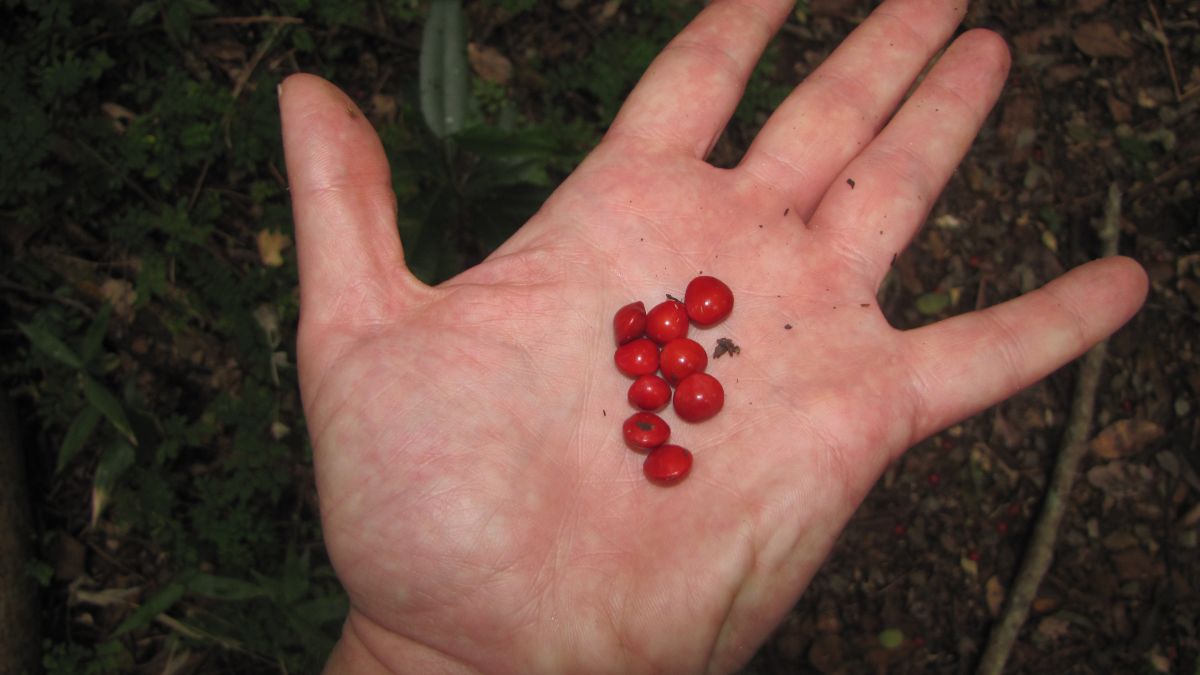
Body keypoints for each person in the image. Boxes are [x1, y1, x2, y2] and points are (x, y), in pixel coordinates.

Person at [277, 0, 1147, 672]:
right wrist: (433, 647)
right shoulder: (654, 370)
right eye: (666, 361)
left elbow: (668, 379)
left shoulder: (669, 367)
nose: (668, 356)